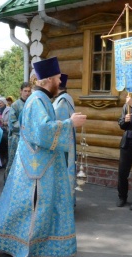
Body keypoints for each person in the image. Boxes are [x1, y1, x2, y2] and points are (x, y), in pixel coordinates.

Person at [0, 57, 87, 257]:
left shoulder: (40, 99)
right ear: (48, 79)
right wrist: (69, 123)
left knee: (35, 205)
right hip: (37, 167)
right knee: (37, 205)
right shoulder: (38, 100)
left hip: (40, 163)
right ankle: (33, 247)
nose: (60, 81)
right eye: (58, 77)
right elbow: (41, 131)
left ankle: (38, 246)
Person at [52, 73, 77, 204]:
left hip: (62, 145)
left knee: (62, 174)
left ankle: (63, 204)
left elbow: (57, 123)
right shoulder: (66, 99)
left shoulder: (62, 102)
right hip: (67, 143)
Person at [4, 82, 31, 181]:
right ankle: (9, 182)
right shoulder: (15, 105)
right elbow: (12, 122)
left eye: (29, 91)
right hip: (16, 138)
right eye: (25, 91)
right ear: (21, 91)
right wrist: (26, 127)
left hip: (29, 139)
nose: (27, 93)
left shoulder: (32, 104)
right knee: (14, 161)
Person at [0, 96, 10, 168]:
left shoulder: (9, 110)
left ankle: (5, 160)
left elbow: (11, 121)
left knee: (4, 144)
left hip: (6, 130)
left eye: (0, 103)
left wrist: (4, 123)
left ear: (4, 103)